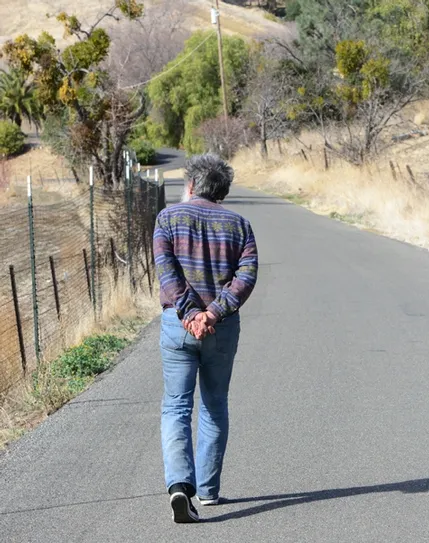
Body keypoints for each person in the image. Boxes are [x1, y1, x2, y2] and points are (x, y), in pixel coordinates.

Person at [153, 153, 258, 523]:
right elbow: (246, 276)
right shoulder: (240, 225)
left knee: (176, 407)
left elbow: (167, 272)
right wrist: (213, 312)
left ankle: (180, 486)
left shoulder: (167, 219)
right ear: (223, 191)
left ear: (192, 185)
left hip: (178, 327)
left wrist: (190, 313)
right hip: (221, 328)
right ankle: (209, 491)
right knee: (215, 403)